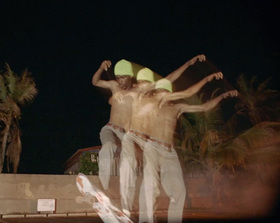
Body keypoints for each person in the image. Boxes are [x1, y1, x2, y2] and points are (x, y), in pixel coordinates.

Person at [123, 78, 238, 223]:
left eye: (164, 92)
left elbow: (204, 107)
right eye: (159, 92)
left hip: (169, 153)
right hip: (152, 147)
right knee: (150, 183)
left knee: (179, 191)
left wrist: (221, 96)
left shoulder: (178, 108)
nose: (161, 95)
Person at [118, 55, 208, 216]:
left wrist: (188, 63)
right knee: (131, 166)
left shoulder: (158, 98)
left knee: (156, 183)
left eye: (148, 85)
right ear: (137, 84)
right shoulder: (135, 94)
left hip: (150, 142)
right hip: (134, 137)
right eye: (142, 84)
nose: (145, 87)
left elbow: (173, 79)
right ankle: (125, 205)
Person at [92, 59, 143, 190]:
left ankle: (126, 191)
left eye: (123, 78)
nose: (120, 81)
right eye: (118, 78)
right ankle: (102, 188)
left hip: (125, 133)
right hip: (110, 128)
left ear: (130, 76)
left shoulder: (137, 92)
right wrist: (100, 68)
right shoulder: (114, 86)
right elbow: (95, 82)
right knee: (108, 146)